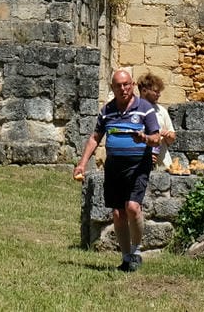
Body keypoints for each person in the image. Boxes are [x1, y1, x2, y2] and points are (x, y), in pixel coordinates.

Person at [73, 66, 163, 273]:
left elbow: (157, 137)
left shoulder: (145, 108)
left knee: (132, 207)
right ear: (112, 88)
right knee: (118, 213)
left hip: (138, 165)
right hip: (114, 166)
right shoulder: (107, 111)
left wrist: (145, 139)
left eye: (126, 85)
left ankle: (136, 250)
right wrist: (82, 163)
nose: (123, 89)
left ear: (132, 85)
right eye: (118, 86)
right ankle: (126, 258)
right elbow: (95, 137)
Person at [137, 70, 176, 166]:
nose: (159, 94)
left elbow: (172, 139)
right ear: (144, 90)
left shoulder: (162, 110)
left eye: (159, 92)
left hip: (163, 163)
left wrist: (168, 135)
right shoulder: (134, 109)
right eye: (155, 91)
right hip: (139, 161)